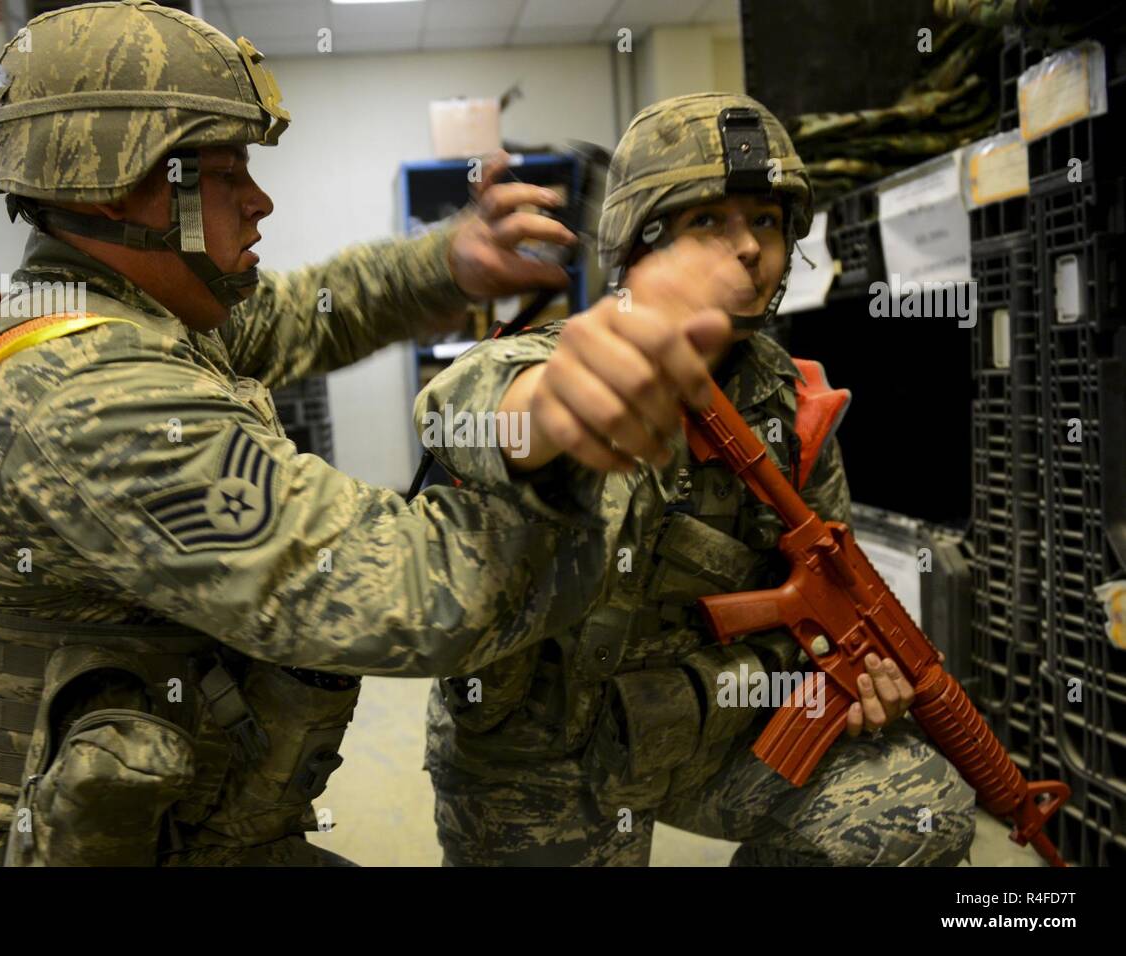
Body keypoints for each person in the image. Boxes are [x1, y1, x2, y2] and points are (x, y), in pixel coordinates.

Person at [0, 2, 737, 867]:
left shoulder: (94, 310)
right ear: (121, 185)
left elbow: (309, 312)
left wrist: (448, 260)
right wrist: (557, 444)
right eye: (226, 172)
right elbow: (422, 596)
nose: (260, 199)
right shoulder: (95, 403)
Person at [415, 92, 977, 866]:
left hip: (707, 731)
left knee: (916, 806)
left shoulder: (795, 404)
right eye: (708, 221)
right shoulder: (555, 366)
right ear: (641, 244)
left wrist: (847, 681)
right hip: (542, 764)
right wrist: (560, 407)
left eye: (767, 222)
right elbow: (460, 409)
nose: (748, 249)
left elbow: (827, 587)